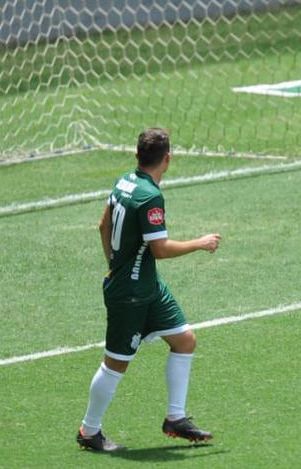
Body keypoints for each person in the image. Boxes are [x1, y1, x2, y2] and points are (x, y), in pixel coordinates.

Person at [76, 128, 220, 453]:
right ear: (167, 158)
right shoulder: (150, 196)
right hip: (131, 293)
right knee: (116, 363)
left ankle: (176, 419)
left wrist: (113, 262)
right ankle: (89, 430)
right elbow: (160, 249)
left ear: (137, 155)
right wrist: (200, 243)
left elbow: (103, 224)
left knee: (184, 340)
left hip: (148, 287)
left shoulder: (124, 181)